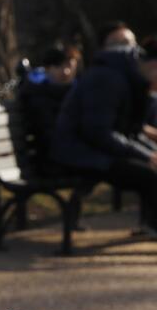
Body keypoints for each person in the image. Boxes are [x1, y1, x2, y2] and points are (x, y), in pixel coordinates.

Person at [49, 27, 157, 235]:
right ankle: (151, 224)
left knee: (150, 164)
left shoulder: (129, 77)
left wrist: (149, 152)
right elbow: (98, 132)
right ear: (153, 65)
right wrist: (146, 155)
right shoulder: (109, 79)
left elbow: (129, 131)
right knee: (149, 172)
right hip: (77, 152)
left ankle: (150, 223)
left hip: (93, 148)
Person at [18, 45, 79, 174]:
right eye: (59, 66)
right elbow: (50, 134)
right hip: (51, 160)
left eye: (69, 65)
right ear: (47, 69)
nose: (66, 71)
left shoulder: (77, 92)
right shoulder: (38, 95)